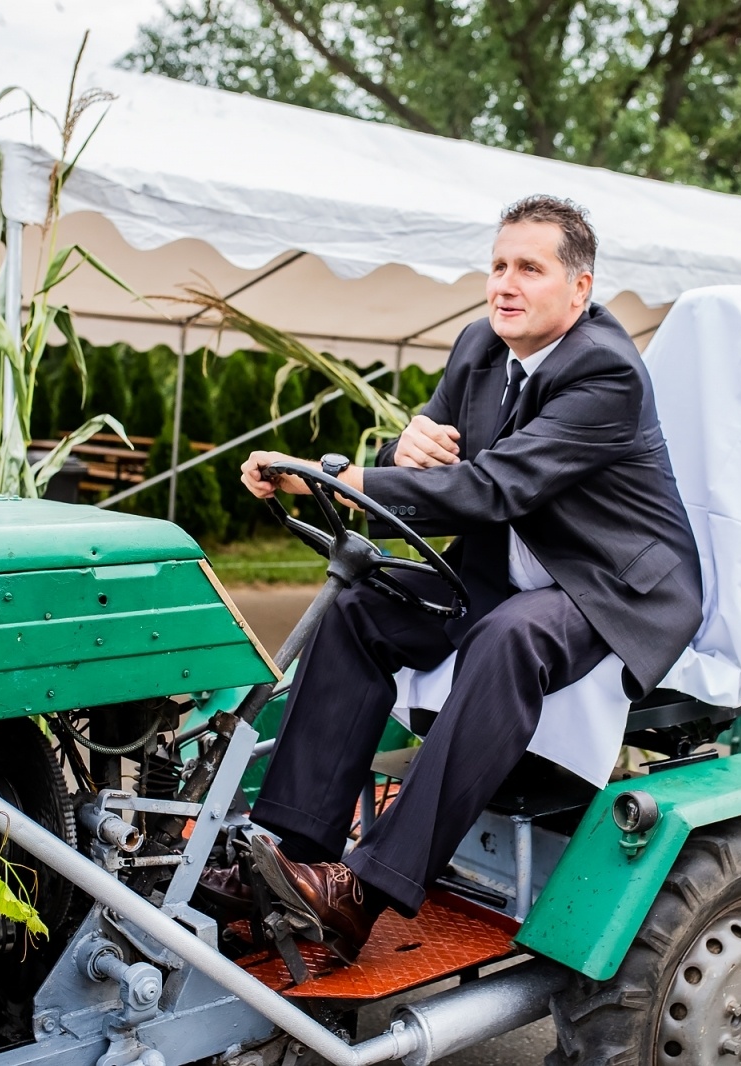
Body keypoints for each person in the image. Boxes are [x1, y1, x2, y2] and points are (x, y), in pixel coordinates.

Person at [235, 194, 702, 963]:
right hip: (503, 567)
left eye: (529, 268)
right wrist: (394, 452)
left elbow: (492, 488)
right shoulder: (479, 349)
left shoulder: (606, 372)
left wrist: (338, 472)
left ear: (580, 289)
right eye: (496, 266)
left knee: (508, 637)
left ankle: (368, 888)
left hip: (610, 581)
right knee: (360, 606)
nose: (504, 285)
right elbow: (423, 468)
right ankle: (286, 852)